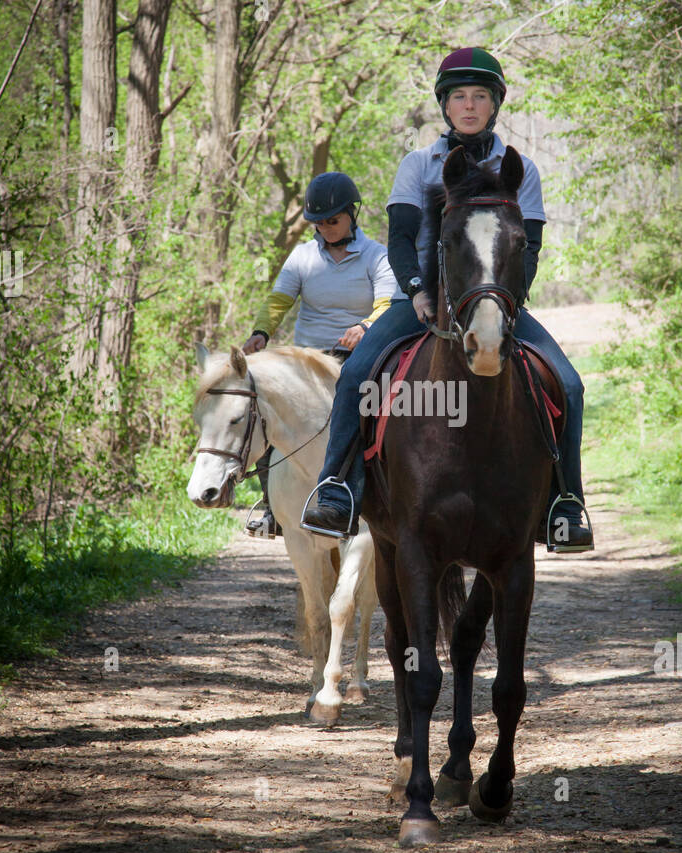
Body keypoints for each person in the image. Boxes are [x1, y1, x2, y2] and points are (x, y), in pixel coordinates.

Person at [300, 47, 594, 552]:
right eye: (459, 96)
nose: (469, 105)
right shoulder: (418, 164)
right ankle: (338, 488)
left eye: (480, 96)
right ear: (445, 105)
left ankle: (565, 503)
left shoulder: (520, 169)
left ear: (495, 104)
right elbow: (400, 239)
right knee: (355, 375)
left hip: (495, 303)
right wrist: (417, 292)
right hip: (420, 302)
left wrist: (508, 303)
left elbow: (529, 248)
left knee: (569, 384)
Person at [241, 170, 400, 536]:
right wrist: (260, 333)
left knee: (370, 415)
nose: (326, 229)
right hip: (307, 358)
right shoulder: (301, 257)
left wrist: (364, 327)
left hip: (355, 357)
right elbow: (279, 300)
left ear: (352, 215)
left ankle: (371, 494)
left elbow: (386, 305)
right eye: (320, 223)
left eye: (333, 220)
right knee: (265, 405)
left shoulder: (377, 256)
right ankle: (271, 507)